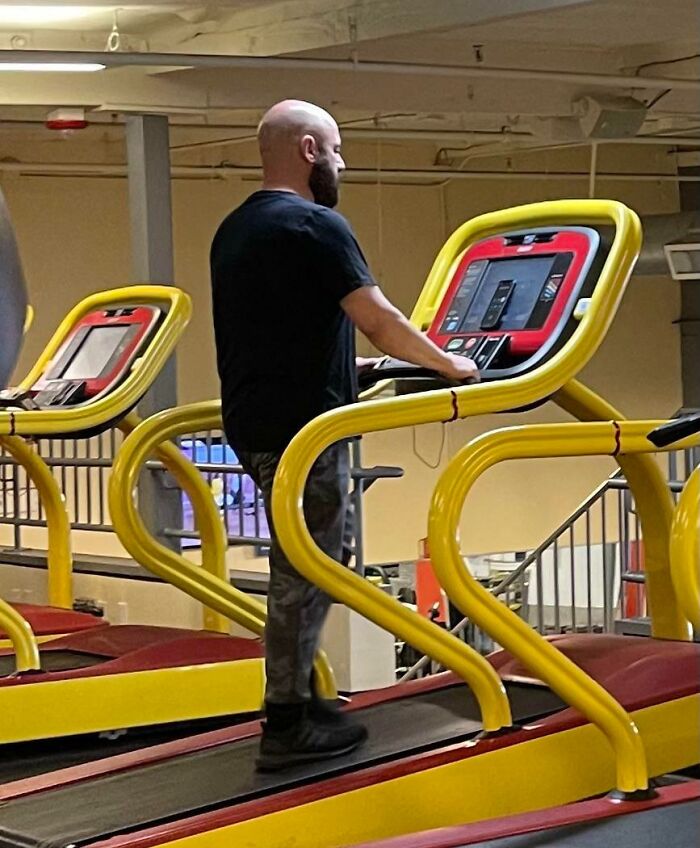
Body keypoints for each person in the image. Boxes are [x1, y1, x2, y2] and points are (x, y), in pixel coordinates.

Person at [210, 99, 479, 771]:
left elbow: (274, 327)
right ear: (308, 150)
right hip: (305, 430)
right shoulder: (316, 224)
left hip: (255, 423)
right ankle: (287, 721)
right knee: (308, 569)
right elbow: (379, 319)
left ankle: (297, 701)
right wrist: (450, 365)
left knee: (311, 561)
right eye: (335, 150)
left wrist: (343, 367)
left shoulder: (236, 227)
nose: (342, 164)